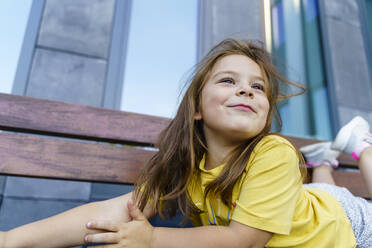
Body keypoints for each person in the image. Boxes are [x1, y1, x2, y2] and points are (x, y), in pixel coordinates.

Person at [0, 38, 371, 248]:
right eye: (228, 81)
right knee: (323, 193)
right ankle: (323, 162)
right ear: (196, 109)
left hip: (349, 230)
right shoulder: (185, 166)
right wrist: (13, 239)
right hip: (310, 204)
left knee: (339, 201)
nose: (245, 88)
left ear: (265, 113)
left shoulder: (273, 152)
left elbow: (243, 241)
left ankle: (363, 146)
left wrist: (152, 239)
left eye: (257, 87)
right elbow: (117, 211)